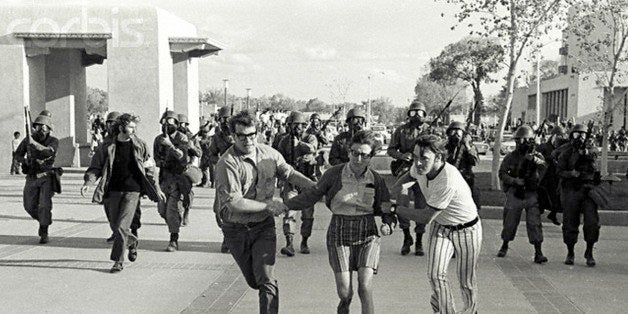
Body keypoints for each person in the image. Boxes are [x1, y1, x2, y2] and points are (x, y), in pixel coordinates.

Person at [214, 110, 315, 314]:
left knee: (266, 279)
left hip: (263, 226)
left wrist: (315, 186)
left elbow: (289, 173)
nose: (248, 140)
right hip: (236, 229)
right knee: (254, 280)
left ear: (257, 133)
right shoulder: (227, 163)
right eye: (241, 135)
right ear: (233, 136)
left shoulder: (269, 154)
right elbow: (235, 203)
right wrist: (270, 205)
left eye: (252, 135)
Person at [284, 130, 396, 314]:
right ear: (349, 152)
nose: (358, 159)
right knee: (345, 291)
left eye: (364, 155)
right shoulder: (333, 174)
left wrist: (388, 224)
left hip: (367, 232)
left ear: (371, 157)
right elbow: (312, 196)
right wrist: (285, 205)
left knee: (365, 286)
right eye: (355, 153)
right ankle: (344, 305)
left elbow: (386, 208)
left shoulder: (376, 179)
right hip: (339, 230)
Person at [389, 134, 481, 314]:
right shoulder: (421, 168)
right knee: (435, 275)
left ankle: (471, 311)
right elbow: (409, 175)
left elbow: (425, 217)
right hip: (441, 227)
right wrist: (397, 188)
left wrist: (395, 209)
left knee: (466, 280)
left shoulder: (447, 179)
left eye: (424, 158)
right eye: (415, 157)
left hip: (467, 229)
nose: (418, 163)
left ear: (439, 157)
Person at [81, 114, 165, 273]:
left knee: (121, 227)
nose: (134, 130)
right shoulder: (107, 146)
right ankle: (131, 241)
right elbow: (96, 167)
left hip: (132, 191)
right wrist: (88, 182)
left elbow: (150, 169)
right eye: (131, 127)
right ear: (121, 127)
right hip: (112, 191)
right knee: (115, 226)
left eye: (135, 127)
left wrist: (157, 189)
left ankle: (118, 262)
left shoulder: (141, 145)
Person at [497, 125, 548, 264]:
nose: (522, 143)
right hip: (515, 193)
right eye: (520, 140)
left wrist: (535, 161)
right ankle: (505, 245)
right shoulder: (511, 157)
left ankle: (538, 252)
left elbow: (545, 168)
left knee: (534, 223)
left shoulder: (536, 156)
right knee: (510, 222)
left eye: (526, 140)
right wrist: (514, 180)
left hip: (531, 194)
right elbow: (502, 173)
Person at [387, 99, 430, 256]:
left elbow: (438, 150)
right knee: (402, 205)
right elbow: (390, 150)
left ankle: (419, 240)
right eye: (413, 112)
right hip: (404, 172)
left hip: (422, 173)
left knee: (421, 206)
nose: (416, 115)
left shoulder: (430, 131)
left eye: (419, 112)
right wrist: (402, 155)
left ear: (424, 114)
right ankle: (407, 237)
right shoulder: (401, 130)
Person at [556, 124, 601, 266]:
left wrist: (586, 154)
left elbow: (594, 162)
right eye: (577, 135)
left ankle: (589, 252)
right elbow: (559, 171)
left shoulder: (591, 150)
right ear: (571, 136)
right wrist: (571, 173)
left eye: (583, 135)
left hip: (588, 189)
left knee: (592, 222)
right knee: (570, 222)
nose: (580, 138)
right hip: (572, 189)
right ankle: (570, 252)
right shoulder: (566, 152)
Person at [275, 111, 318, 256]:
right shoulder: (284, 141)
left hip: (306, 180)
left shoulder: (310, 137)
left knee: (308, 214)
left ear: (304, 126)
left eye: (299, 125)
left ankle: (304, 241)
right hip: (291, 181)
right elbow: (279, 160)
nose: (296, 128)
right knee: (289, 211)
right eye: (293, 125)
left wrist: (299, 144)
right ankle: (289, 243)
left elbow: (312, 148)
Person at [153, 110, 196, 252]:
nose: (166, 125)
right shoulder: (158, 139)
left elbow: (182, 156)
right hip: (164, 179)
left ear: (176, 124)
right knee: (162, 210)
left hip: (178, 179)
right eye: (164, 122)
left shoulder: (182, 138)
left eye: (170, 122)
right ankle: (175, 222)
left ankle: (173, 239)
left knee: (171, 210)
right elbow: (157, 160)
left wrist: (170, 145)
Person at [14, 114, 59, 244]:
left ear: (48, 129)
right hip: (32, 176)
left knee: (44, 205)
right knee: (28, 205)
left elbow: (49, 152)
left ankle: (44, 230)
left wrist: (34, 144)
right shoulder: (27, 140)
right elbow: (17, 155)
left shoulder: (53, 141)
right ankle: (43, 221)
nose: (40, 130)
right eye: (38, 127)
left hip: (46, 177)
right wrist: (25, 160)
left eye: (43, 127)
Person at [208, 106, 235, 253]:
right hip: (223, 175)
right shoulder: (217, 137)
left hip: (239, 176)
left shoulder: (240, 134)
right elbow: (211, 154)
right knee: (219, 209)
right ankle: (227, 234)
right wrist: (218, 160)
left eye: (228, 118)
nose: (225, 122)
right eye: (223, 119)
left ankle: (229, 239)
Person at [444, 121, 481, 210]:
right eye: (453, 131)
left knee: (473, 201)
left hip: (465, 178)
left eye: (459, 132)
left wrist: (467, 146)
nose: (456, 134)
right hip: (449, 179)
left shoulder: (469, 146)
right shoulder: (445, 147)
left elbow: (475, 161)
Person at [536, 125, 568, 225]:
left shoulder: (562, 147)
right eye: (558, 135)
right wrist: (547, 158)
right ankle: (537, 217)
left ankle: (553, 214)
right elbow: (539, 156)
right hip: (545, 176)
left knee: (557, 197)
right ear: (554, 135)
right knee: (544, 197)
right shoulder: (545, 146)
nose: (560, 137)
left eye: (562, 135)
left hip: (556, 176)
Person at [177, 113, 202, 226]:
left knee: (187, 193)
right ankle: (177, 214)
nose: (179, 126)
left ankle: (186, 211)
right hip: (173, 169)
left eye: (181, 123)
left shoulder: (191, 137)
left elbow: (199, 153)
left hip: (186, 169)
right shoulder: (172, 136)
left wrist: (191, 146)